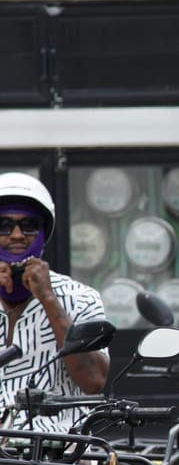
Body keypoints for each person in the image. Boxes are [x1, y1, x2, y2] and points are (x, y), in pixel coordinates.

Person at [0, 172, 109, 433]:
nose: (16, 235)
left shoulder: (80, 297)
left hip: (59, 460)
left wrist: (48, 299)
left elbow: (94, 381)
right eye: (3, 225)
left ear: (43, 232)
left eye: (28, 225)